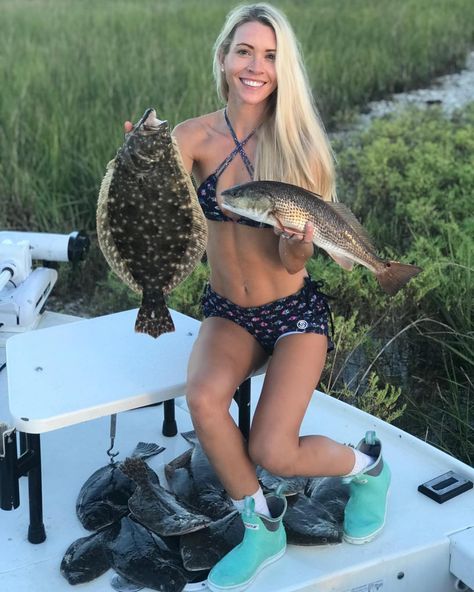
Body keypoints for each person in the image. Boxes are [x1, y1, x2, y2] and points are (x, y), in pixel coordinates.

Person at [127, 4, 390, 591]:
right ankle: (262, 524)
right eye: (244, 50)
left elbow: (295, 261)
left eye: (270, 55)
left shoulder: (301, 148)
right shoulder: (191, 137)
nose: (255, 65)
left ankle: (369, 466)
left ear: (283, 67)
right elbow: (154, 200)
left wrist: (296, 247)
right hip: (228, 311)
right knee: (203, 399)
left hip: (293, 313)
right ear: (223, 58)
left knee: (275, 450)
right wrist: (138, 162)